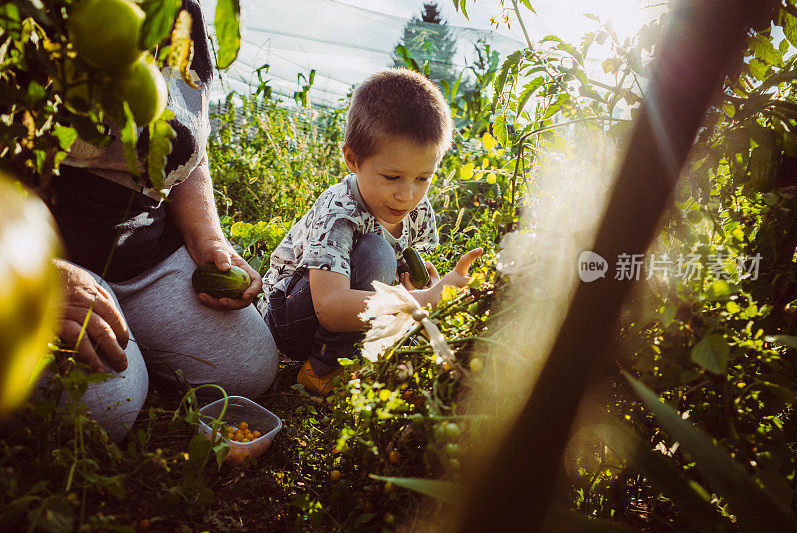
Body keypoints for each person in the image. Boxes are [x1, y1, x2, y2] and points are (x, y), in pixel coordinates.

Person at [44, 0, 278, 440]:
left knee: (252, 367)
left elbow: (185, 146)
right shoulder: (32, 15)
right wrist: (40, 276)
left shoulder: (179, 15)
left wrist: (208, 236)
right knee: (103, 408)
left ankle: (140, 342)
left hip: (140, 248)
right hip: (33, 246)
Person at [259, 68, 482, 396]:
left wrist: (426, 284)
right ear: (352, 159)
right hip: (288, 318)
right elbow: (331, 307)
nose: (407, 195)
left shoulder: (416, 210)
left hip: (340, 309)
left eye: (423, 178)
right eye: (392, 177)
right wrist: (419, 301)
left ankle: (350, 358)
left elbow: (406, 271)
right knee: (377, 251)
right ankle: (321, 369)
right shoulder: (338, 212)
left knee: (384, 261)